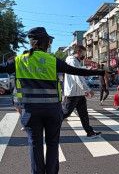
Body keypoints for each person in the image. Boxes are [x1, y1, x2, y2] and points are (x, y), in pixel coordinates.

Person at [0, 27, 105, 174]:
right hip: (52, 111)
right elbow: (77, 71)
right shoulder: (52, 60)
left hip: (30, 112)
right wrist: (100, 72)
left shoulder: (19, 60)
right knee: (52, 144)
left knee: (35, 146)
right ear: (46, 43)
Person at [63, 44, 102, 139]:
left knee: (83, 114)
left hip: (78, 93)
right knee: (66, 113)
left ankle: (90, 132)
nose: (83, 56)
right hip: (74, 93)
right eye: (83, 53)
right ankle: (48, 126)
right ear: (78, 52)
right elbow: (77, 77)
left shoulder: (74, 61)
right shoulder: (72, 61)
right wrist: (88, 90)